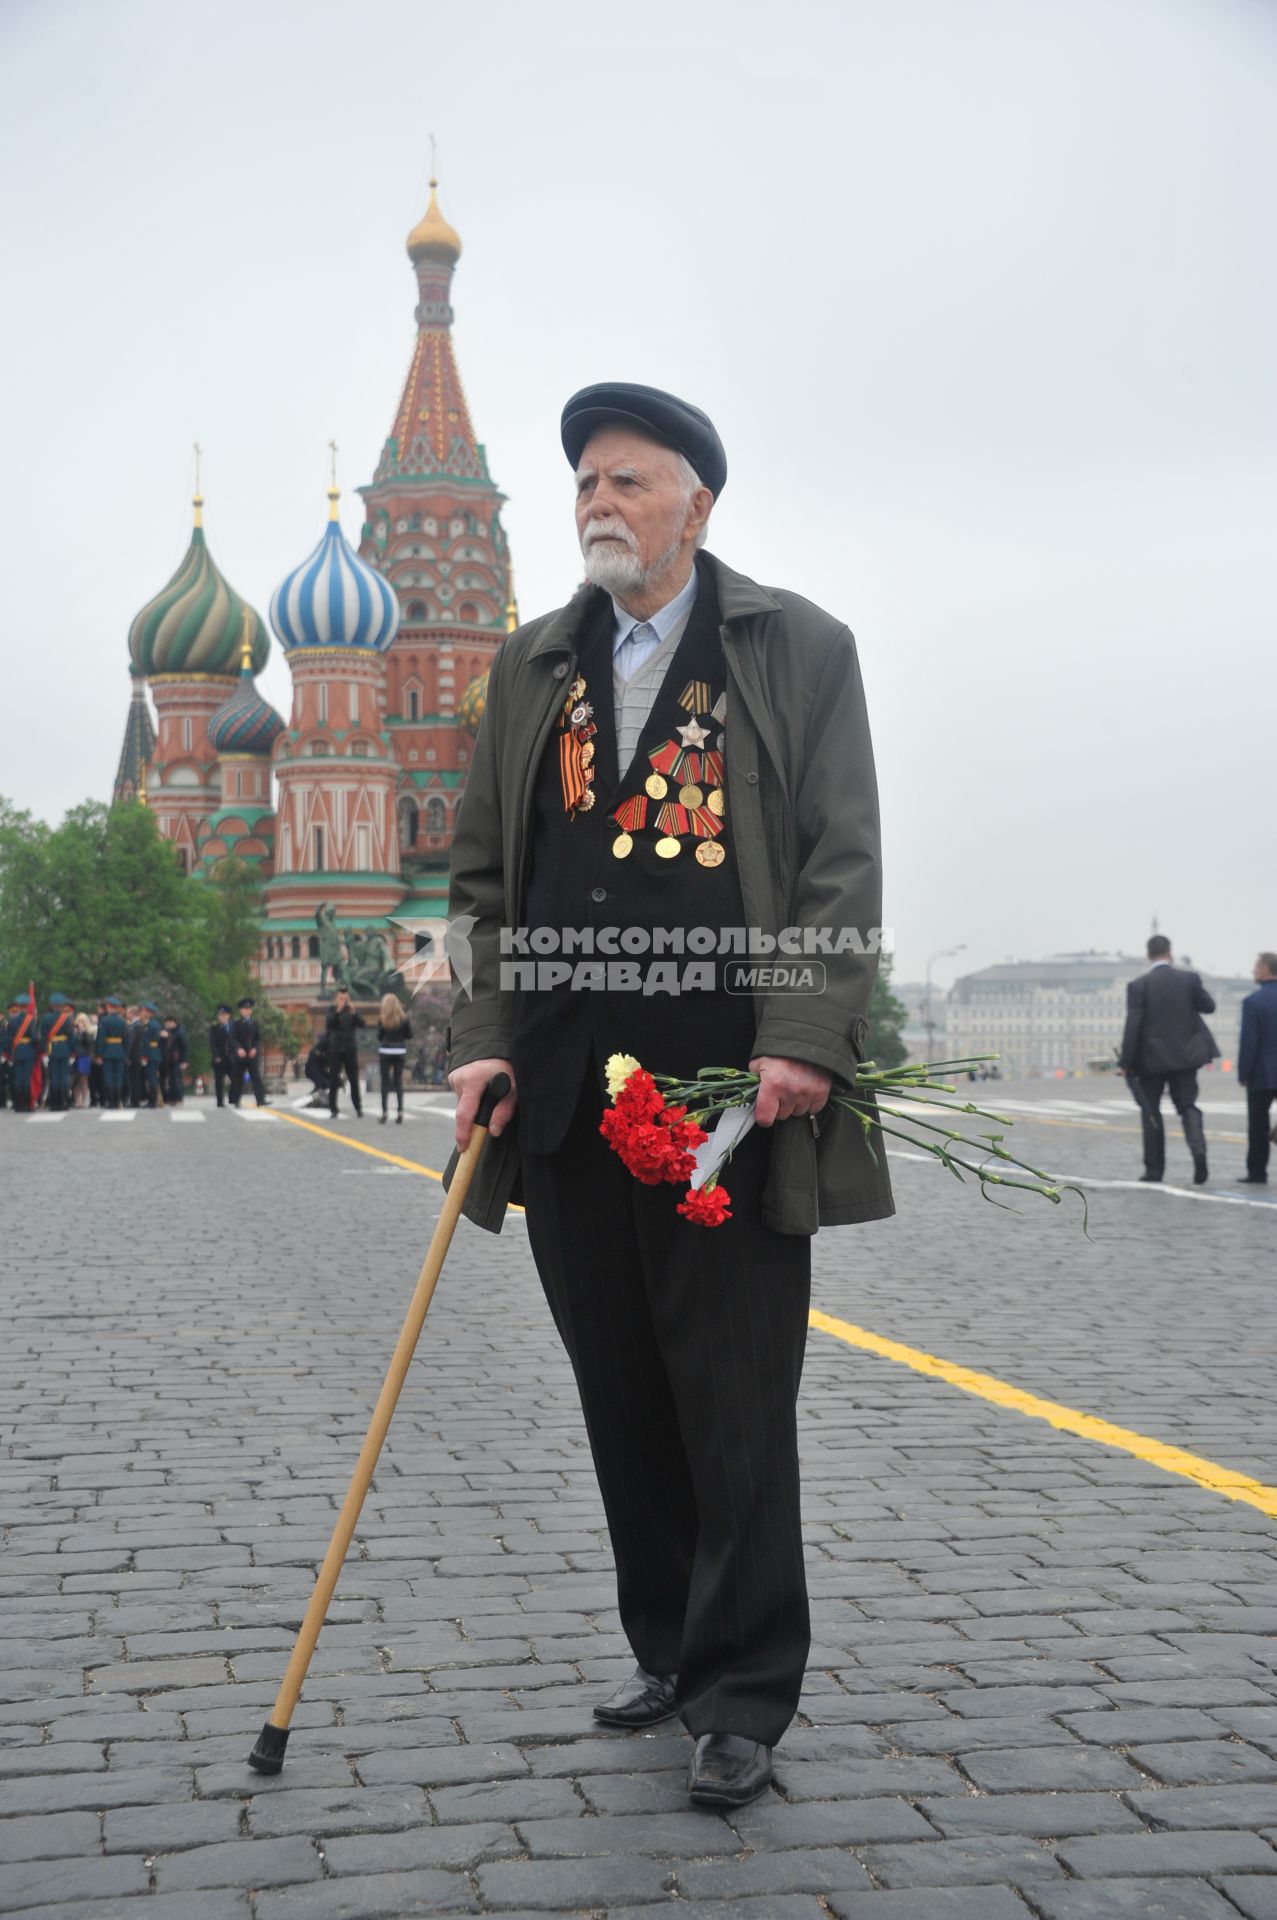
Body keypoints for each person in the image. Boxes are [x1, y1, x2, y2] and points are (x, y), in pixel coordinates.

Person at [447, 382, 891, 1810]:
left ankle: (743, 1692)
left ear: (697, 505)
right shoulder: (530, 667)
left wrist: (808, 1035)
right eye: (584, 482)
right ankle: (667, 1646)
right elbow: (479, 886)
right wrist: (481, 1034)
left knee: (735, 1401)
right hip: (569, 1094)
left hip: (731, 1098)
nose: (597, 504)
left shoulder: (793, 646)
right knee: (623, 1390)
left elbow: (838, 856)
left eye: (627, 482)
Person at [1118, 934, 1218, 1184]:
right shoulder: (1189, 979)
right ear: (1170, 953)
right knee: (1187, 1105)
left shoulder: (1139, 985)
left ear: (1148, 955)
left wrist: (1125, 1062)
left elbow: (1134, 1025)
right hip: (1186, 1056)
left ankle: (1154, 1171)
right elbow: (1209, 1006)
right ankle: (1199, 1152)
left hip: (1150, 1060)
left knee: (1151, 1111)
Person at [1237, 951, 1277, 1186]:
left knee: (1258, 1125)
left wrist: (1244, 1073)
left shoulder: (1253, 1001)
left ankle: (1257, 1172)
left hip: (1262, 1074)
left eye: (1255, 967)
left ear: (1265, 970)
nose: (1253, 971)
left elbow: (1249, 1042)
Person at [325, 986, 365, 1116]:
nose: (343, 1001)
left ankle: (358, 1107)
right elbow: (329, 1024)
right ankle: (333, 1109)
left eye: (345, 998)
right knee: (333, 1079)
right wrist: (338, 1011)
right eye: (341, 998)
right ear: (336, 998)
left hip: (350, 1048)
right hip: (335, 1049)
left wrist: (354, 1013)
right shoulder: (332, 1010)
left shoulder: (352, 1010)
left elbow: (362, 1024)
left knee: (353, 1079)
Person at [376, 992, 412, 1124]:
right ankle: (400, 1112)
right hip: (399, 1051)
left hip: (385, 1051)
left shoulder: (382, 1019)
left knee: (385, 1082)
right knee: (398, 1082)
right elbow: (409, 1035)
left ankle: (385, 1111)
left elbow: (379, 1037)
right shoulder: (404, 1019)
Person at [40, 993, 77, 1112]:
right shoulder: (67, 1019)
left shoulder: (46, 1018)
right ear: (62, 1006)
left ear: (52, 1006)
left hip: (52, 1049)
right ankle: (63, 1103)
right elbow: (71, 1037)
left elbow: (44, 1037)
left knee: (54, 1077)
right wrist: (73, 1051)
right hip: (65, 1049)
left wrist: (44, 1051)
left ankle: (54, 1103)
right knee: (64, 1078)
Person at [229, 996, 268, 1106]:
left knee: (256, 1077)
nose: (247, 1011)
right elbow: (233, 1039)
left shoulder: (255, 1023)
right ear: (241, 1010)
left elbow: (258, 1039)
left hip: (252, 1055)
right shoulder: (236, 1024)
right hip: (240, 1056)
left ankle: (260, 1099)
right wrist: (238, 1049)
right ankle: (236, 1100)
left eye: (249, 1009)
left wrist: (255, 1048)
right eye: (245, 1009)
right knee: (238, 1079)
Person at [95, 995, 129, 1107]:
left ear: (109, 1007)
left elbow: (101, 1039)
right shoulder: (122, 1021)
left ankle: (111, 1102)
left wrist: (99, 1055)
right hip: (119, 1051)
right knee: (118, 1077)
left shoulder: (104, 1021)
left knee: (108, 1077)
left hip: (107, 1051)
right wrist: (125, 1053)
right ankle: (118, 1100)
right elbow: (127, 1039)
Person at [209, 1004, 235, 1107]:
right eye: (220, 1015)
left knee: (236, 1079)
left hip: (232, 1059)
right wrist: (216, 1056)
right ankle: (220, 1102)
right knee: (219, 1082)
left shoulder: (234, 1027)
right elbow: (212, 1043)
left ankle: (232, 1098)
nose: (222, 1017)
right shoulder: (214, 1028)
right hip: (220, 1059)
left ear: (228, 1016)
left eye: (224, 1015)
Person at [161, 1014, 187, 1105]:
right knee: (170, 1080)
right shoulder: (167, 1031)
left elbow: (184, 1047)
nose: (167, 1025)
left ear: (173, 1022)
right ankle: (171, 1097)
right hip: (167, 1059)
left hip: (176, 1058)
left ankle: (178, 1097)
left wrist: (184, 1061)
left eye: (168, 1023)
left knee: (176, 1079)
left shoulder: (179, 1032)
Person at [72, 1011, 95, 1108]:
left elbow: (89, 1044)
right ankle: (77, 1100)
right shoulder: (73, 1031)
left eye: (82, 1021)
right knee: (75, 1081)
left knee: (83, 1080)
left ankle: (84, 1100)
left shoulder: (88, 1032)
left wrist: (83, 1031)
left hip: (84, 1057)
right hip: (75, 1057)